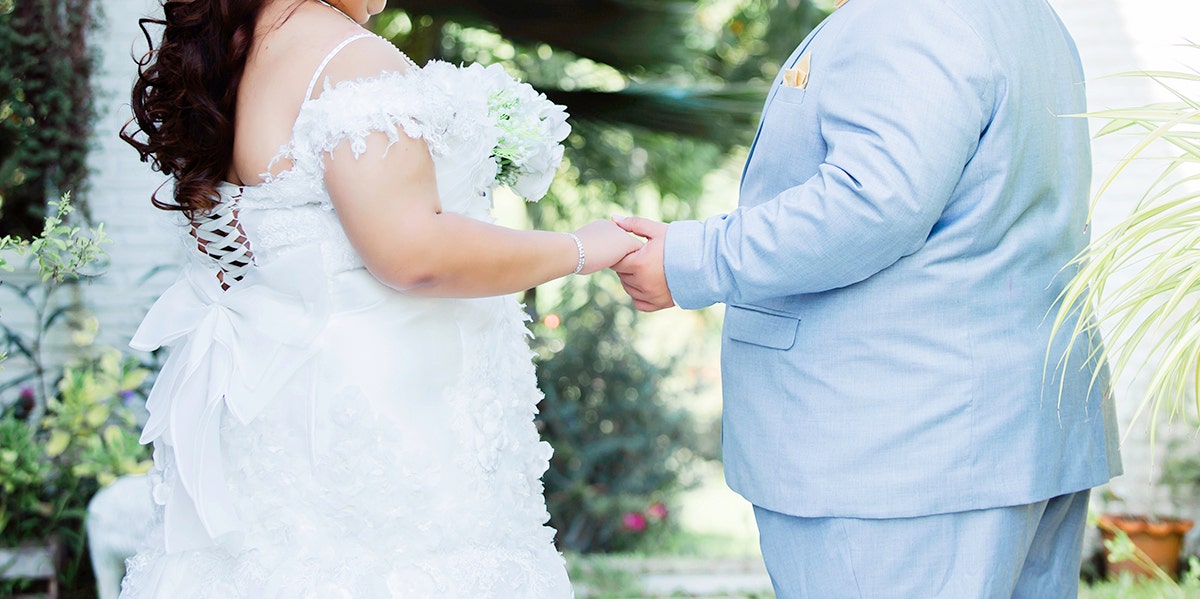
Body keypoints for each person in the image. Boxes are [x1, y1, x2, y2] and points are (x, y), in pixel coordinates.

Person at [118, 0, 640, 596]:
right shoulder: (347, 59)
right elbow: (411, 253)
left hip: (278, 412)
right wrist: (581, 247)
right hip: (381, 427)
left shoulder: (236, 51)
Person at [612, 0, 1122, 596]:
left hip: (902, 458)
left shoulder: (908, 17)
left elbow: (871, 204)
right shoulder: (1028, 14)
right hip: (1009, 438)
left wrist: (692, 260)